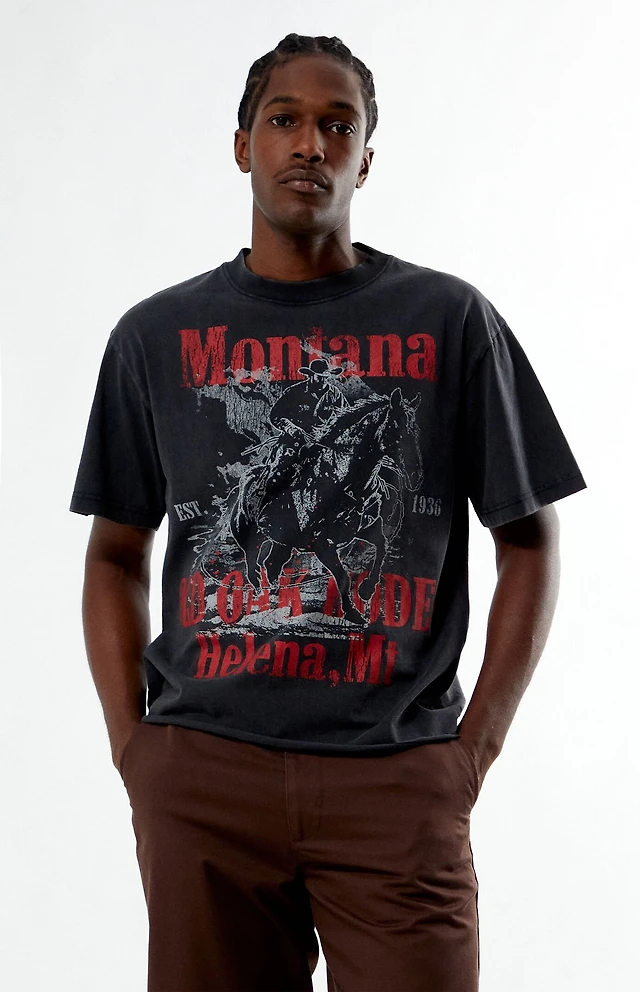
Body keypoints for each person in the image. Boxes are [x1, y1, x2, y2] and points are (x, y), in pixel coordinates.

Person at [70, 32, 587, 992]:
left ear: (366, 159)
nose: (310, 143)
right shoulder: (155, 335)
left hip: (394, 779)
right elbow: (114, 552)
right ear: (244, 146)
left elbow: (529, 538)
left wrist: (470, 756)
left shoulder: (448, 319)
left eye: (337, 125)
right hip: (205, 774)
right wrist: (135, 749)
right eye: (285, 120)